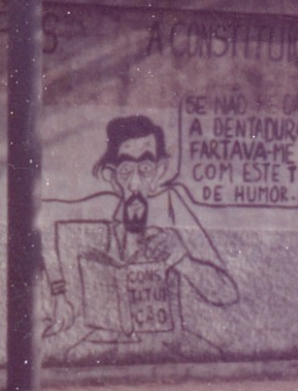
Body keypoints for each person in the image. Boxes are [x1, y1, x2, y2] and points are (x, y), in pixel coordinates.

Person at [43, 115, 237, 358]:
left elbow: (226, 292)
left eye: (145, 169)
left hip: (168, 342)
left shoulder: (171, 206)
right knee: (73, 356)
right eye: (126, 170)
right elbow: (43, 218)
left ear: (159, 170)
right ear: (111, 176)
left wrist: (183, 261)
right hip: (111, 340)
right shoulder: (106, 207)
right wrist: (59, 294)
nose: (135, 182)